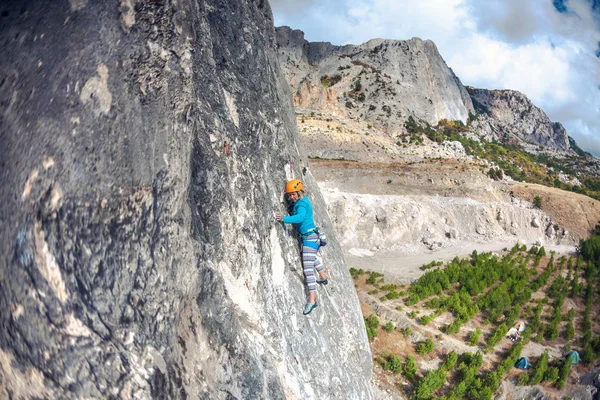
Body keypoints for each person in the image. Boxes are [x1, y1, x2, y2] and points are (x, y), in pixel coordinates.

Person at [275, 179, 328, 315]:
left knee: (308, 270)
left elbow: (300, 217)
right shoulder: (301, 202)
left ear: (299, 192)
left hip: (309, 238)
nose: (291, 197)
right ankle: (323, 277)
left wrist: (284, 218)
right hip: (311, 238)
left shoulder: (302, 204)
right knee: (311, 258)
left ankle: (312, 300)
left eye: (294, 194)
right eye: (289, 195)